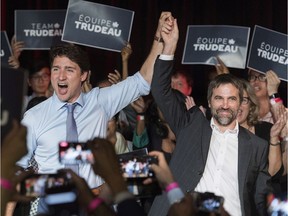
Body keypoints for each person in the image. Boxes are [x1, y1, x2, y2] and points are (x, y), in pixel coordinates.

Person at [15, 12, 170, 215]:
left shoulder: (100, 101)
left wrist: (159, 38)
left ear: (84, 75)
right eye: (56, 69)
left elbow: (142, 81)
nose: (60, 76)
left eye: (69, 70)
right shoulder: (34, 117)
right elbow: (17, 171)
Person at [149, 15, 271, 216]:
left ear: (240, 103)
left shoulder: (257, 146)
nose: (225, 105)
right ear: (209, 101)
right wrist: (169, 47)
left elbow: (261, 198)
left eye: (231, 99)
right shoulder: (191, 126)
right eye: (219, 98)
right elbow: (160, 90)